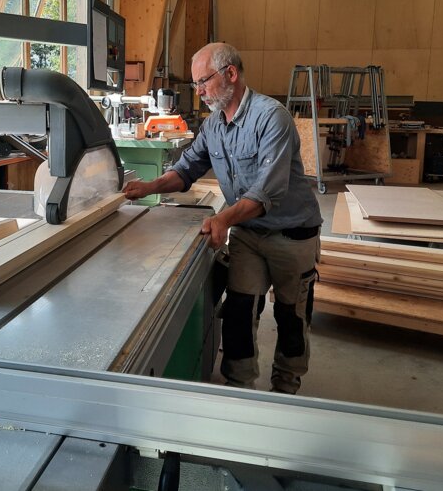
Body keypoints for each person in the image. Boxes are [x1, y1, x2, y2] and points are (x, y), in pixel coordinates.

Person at [123, 42, 321, 394]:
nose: (198, 92)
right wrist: (149, 185)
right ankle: (238, 389)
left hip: (292, 236)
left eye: (203, 82)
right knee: (239, 312)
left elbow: (267, 193)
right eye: (196, 85)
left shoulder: (271, 117)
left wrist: (222, 220)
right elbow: (186, 169)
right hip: (248, 233)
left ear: (231, 73)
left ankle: (286, 389)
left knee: (292, 316)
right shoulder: (214, 125)